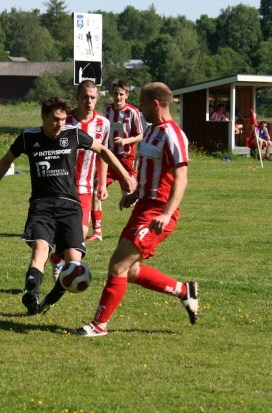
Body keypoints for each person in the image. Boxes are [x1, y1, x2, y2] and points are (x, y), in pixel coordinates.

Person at [0, 96, 135, 316]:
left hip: (70, 207)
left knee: (74, 264)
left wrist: (125, 177)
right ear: (43, 116)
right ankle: (31, 293)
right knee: (41, 250)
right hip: (41, 206)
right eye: (55, 119)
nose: (59, 124)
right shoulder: (28, 138)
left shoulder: (72, 134)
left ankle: (49, 300)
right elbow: (6, 160)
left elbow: (102, 150)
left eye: (63, 119)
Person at [72, 82, 199, 337]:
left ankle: (99, 325)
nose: (139, 108)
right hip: (143, 207)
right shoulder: (152, 131)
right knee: (130, 270)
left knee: (118, 265)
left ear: (155, 104)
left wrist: (165, 213)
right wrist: (135, 194)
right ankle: (184, 291)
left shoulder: (173, 134)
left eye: (142, 103)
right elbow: (153, 172)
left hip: (158, 212)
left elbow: (181, 178)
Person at [86, 79, 143, 242]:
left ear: (126, 95)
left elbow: (141, 134)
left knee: (130, 198)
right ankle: (97, 232)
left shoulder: (133, 112)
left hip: (126, 160)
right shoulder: (106, 110)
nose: (118, 97)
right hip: (110, 159)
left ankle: (139, 227)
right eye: (115, 94)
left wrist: (126, 141)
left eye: (121, 94)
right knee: (96, 189)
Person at [66, 80, 111, 240]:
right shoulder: (64, 120)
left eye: (92, 97)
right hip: (62, 186)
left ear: (97, 98)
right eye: (85, 97)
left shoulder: (103, 124)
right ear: (77, 97)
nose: (89, 101)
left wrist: (102, 183)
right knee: (64, 232)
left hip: (85, 187)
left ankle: (58, 259)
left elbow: (103, 155)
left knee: (80, 234)